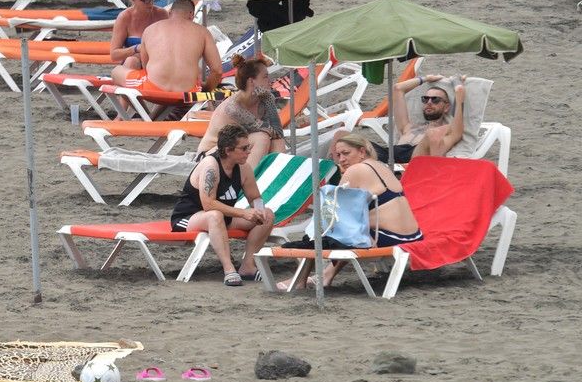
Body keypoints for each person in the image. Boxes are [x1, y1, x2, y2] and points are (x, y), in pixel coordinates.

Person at [277, 133, 423, 290]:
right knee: (347, 231)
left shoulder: (356, 170)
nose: (341, 159)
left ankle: (301, 280)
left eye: (346, 153)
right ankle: (325, 275)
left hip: (390, 237)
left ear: (361, 151)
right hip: (412, 235)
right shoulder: (380, 166)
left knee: (318, 233)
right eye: (338, 155)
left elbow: (332, 212)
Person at [170, 124, 276, 286]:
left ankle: (248, 266)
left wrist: (259, 210)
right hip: (190, 217)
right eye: (244, 148)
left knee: (267, 214)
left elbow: (255, 197)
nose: (249, 151)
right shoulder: (211, 166)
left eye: (249, 147)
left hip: (223, 218)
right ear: (228, 150)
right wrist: (243, 213)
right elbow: (208, 204)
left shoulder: (243, 168)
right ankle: (229, 269)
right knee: (215, 215)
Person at [112, 0, 223, 94]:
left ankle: (131, 114)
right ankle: (157, 115)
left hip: (153, 90)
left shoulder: (150, 29)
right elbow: (217, 71)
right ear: (191, 14)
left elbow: (146, 67)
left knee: (116, 71)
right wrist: (206, 91)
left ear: (170, 13)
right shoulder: (203, 32)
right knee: (196, 72)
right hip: (187, 92)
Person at [196, 55, 286, 166]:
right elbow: (267, 130)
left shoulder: (266, 97)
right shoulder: (233, 108)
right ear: (251, 81)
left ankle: (276, 177)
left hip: (238, 148)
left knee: (277, 140)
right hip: (210, 156)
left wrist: (273, 132)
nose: (270, 80)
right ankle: (251, 180)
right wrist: (271, 130)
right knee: (261, 138)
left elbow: (278, 133)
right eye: (265, 77)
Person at [373, 74, 466, 163]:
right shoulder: (408, 127)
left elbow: (459, 91)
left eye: (435, 100)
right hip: (387, 156)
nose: (429, 102)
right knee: (360, 144)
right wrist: (426, 78)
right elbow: (398, 88)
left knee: (432, 135)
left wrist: (457, 83)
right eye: (425, 99)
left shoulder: (446, 130)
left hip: (412, 163)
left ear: (446, 107)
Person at [107, 0, 168, 70]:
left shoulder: (161, 14)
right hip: (134, 64)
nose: (150, 4)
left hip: (157, 63)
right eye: (145, 0)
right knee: (132, 61)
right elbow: (114, 55)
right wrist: (136, 48)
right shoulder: (125, 17)